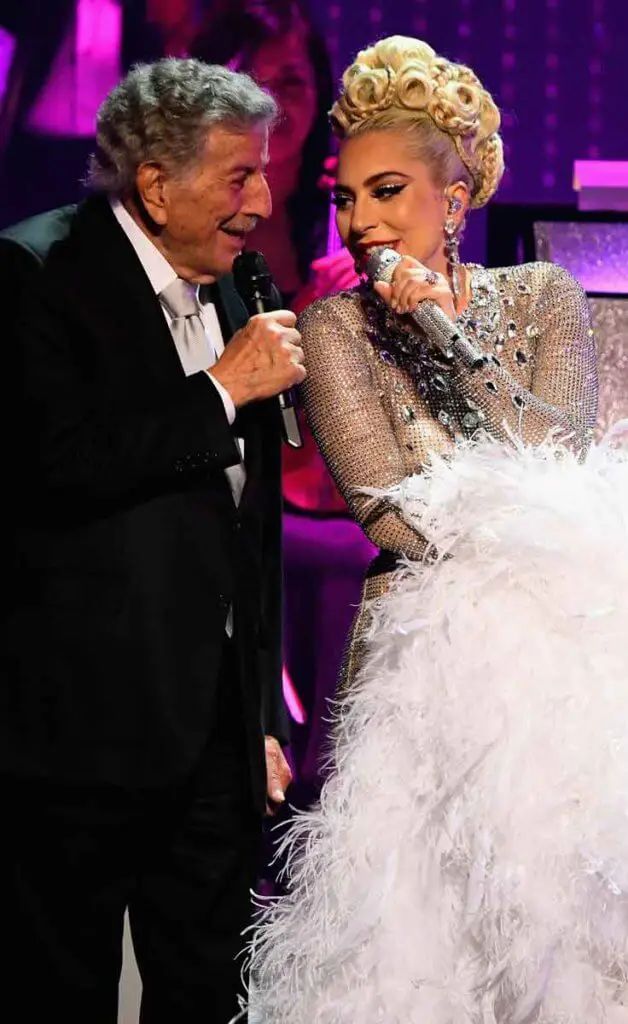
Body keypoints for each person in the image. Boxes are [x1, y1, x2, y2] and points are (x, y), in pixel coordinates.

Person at [245, 37, 628, 1023]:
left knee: (556, 940)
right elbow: (385, 506)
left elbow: (562, 459)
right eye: (344, 197)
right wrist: (523, 521)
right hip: (420, 662)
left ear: (454, 199)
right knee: (417, 956)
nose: (360, 220)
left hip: (556, 665)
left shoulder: (542, 297)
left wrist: (447, 340)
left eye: (386, 192)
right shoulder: (333, 328)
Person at [0, 58, 305, 1024]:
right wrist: (220, 390)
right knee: (60, 994)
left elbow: (249, 530)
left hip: (212, 741)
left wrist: (257, 713)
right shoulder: (35, 273)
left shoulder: (238, 286)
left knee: (209, 993)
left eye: (262, 172)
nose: (262, 200)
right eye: (239, 177)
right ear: (157, 184)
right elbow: (55, 465)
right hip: (75, 736)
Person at [191, 0, 373, 808]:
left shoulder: (344, 210)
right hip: (246, 491)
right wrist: (303, 314)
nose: (275, 101)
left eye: (293, 80)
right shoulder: (202, 222)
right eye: (254, 79)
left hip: (337, 497)